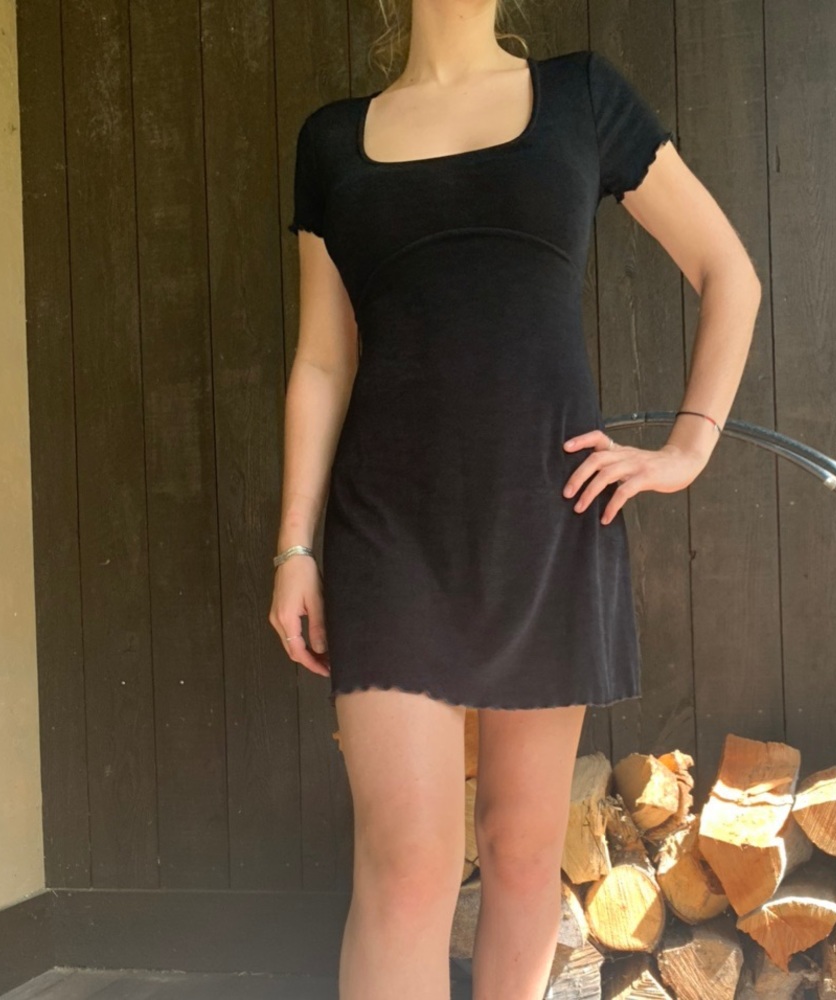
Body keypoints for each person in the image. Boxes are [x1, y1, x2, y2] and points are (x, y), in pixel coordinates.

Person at [269, 1, 759, 996]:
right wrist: (294, 548)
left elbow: (729, 273)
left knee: (522, 849)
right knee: (405, 867)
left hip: (549, 516)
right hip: (387, 531)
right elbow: (321, 358)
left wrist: (687, 447)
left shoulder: (582, 98)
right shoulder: (331, 140)